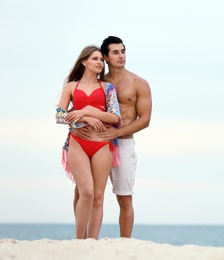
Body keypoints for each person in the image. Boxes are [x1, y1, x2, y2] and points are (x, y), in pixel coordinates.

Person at [73, 36, 152, 237]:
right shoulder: (100, 83)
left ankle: (124, 244)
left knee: (124, 198)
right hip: (95, 142)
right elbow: (76, 111)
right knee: (83, 193)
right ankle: (81, 239)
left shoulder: (138, 82)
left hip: (123, 144)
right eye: (115, 52)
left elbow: (145, 120)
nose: (121, 56)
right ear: (105, 57)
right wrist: (74, 128)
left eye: (123, 51)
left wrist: (117, 132)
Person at [55, 45, 122, 239]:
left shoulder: (107, 87)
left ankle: (93, 242)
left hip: (102, 144)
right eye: (95, 59)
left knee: (98, 197)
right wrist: (78, 123)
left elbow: (116, 118)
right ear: (84, 61)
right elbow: (59, 115)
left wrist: (87, 112)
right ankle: (79, 241)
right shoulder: (71, 86)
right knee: (86, 192)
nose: (100, 62)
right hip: (77, 143)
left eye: (101, 59)